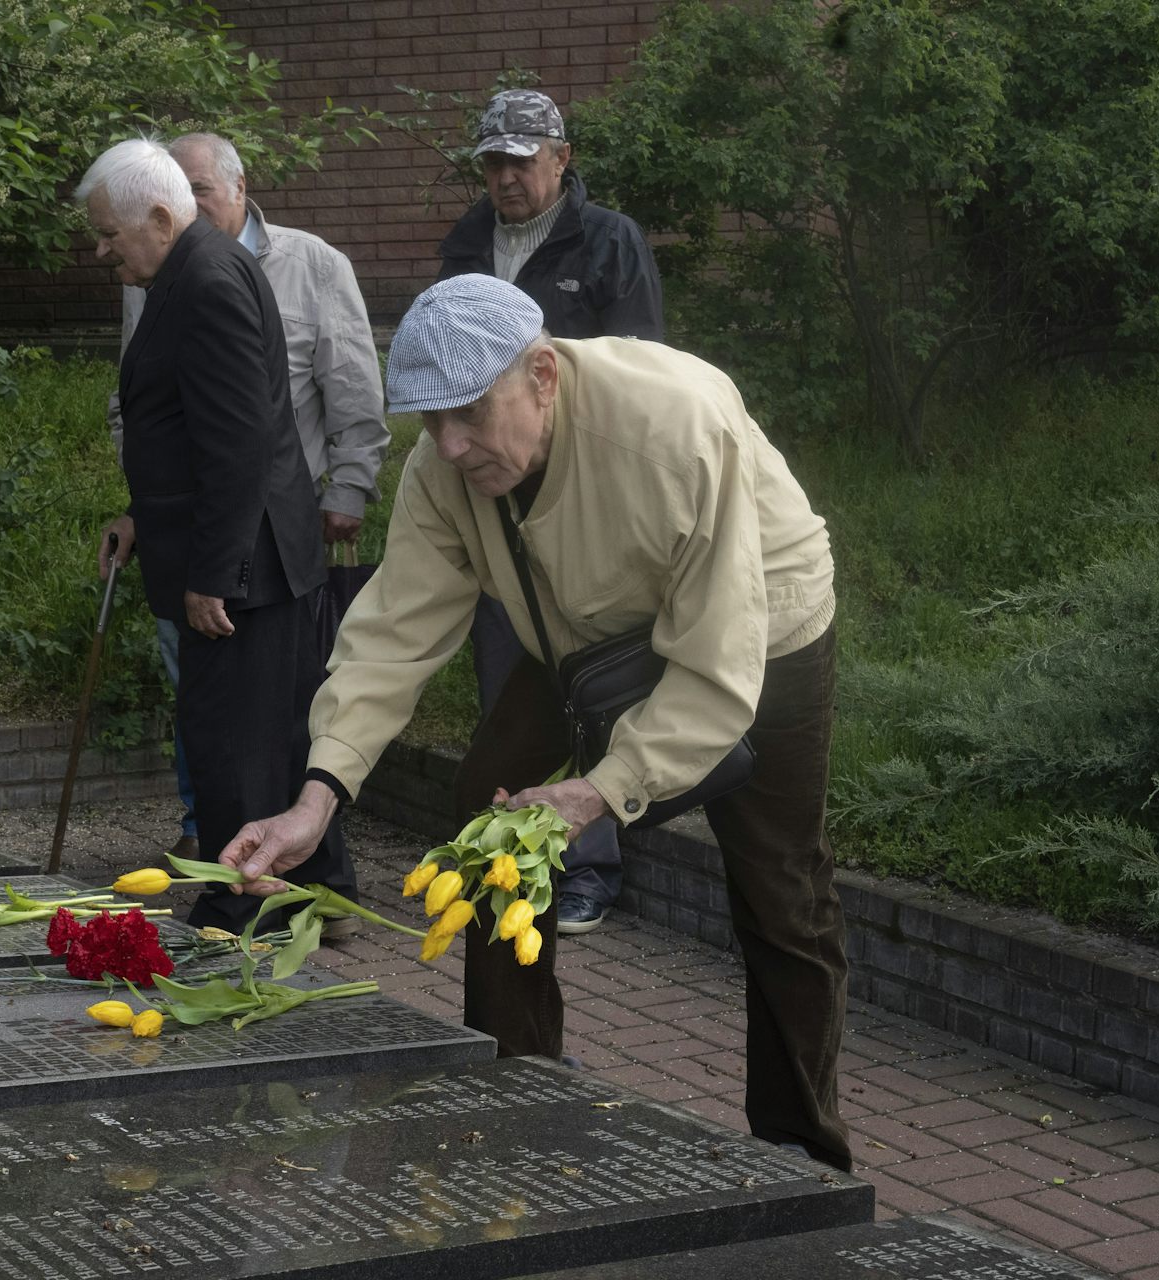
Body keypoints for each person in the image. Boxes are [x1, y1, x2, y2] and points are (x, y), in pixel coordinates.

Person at [216, 275, 852, 1172]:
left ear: (543, 374)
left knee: (782, 891)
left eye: (470, 413)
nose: (450, 445)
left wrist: (600, 793)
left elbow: (716, 666)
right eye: (430, 421)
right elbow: (392, 634)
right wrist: (318, 799)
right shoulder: (448, 467)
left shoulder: (676, 426)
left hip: (760, 623)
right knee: (492, 816)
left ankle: (802, 1156)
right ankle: (516, 1092)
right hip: (586, 639)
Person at [77, 138, 356, 931]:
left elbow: (242, 442)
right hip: (240, 553)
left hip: (247, 564)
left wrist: (214, 570)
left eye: (109, 233)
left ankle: (242, 908)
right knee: (266, 730)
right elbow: (188, 428)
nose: (101, 250)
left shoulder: (204, 279)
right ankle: (318, 894)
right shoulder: (189, 269)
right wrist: (145, 517)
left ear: (161, 217)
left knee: (234, 739)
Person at [438, 88, 665, 938]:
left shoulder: (608, 240)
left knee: (594, 682)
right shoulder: (465, 244)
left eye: (521, 161)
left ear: (561, 159)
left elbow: (644, 370)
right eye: (492, 162)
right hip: (494, 491)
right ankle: (515, 857)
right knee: (508, 683)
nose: (505, 177)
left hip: (588, 493)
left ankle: (591, 865)